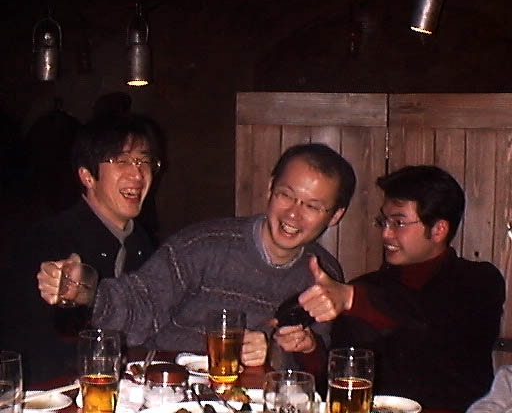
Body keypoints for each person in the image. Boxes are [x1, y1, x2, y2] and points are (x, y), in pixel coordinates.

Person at [37, 143, 356, 368]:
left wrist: (277, 352)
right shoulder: (204, 245)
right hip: (169, 387)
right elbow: (139, 305)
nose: (293, 214)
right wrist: (87, 291)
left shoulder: (323, 275)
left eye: (313, 206)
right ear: (270, 188)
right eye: (286, 195)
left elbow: (317, 367)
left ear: (336, 215)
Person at [277, 165, 505, 412]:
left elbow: (423, 320)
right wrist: (310, 351)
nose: (386, 233)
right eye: (384, 221)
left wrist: (351, 298)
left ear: (438, 230)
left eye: (399, 222)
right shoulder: (365, 289)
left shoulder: (478, 281)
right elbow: (339, 386)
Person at [3, 113, 163, 384]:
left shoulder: (143, 244)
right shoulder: (48, 241)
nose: (137, 173)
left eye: (144, 161)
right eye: (122, 160)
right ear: (87, 176)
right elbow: (30, 345)